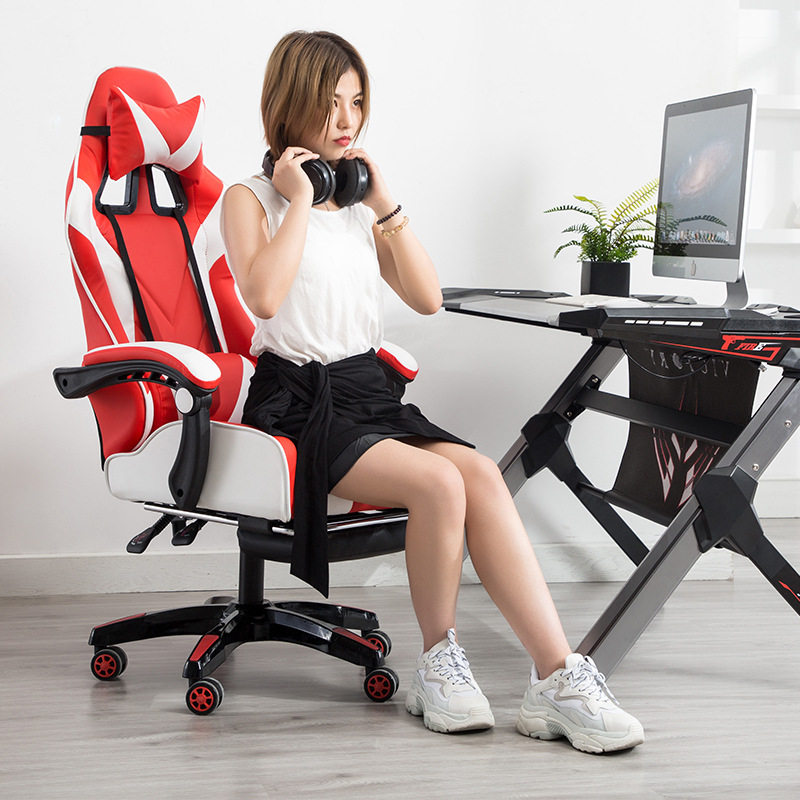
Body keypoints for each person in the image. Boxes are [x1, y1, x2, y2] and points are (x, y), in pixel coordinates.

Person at [221, 29, 644, 754]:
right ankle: (437, 666)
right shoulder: (250, 198)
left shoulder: (358, 204)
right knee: (439, 483)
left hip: (367, 392)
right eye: (329, 103)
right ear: (288, 104)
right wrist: (299, 200)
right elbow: (262, 298)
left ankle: (556, 676)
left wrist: (385, 204)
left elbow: (426, 297)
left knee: (479, 472)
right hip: (297, 402)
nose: (347, 119)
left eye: (357, 101)